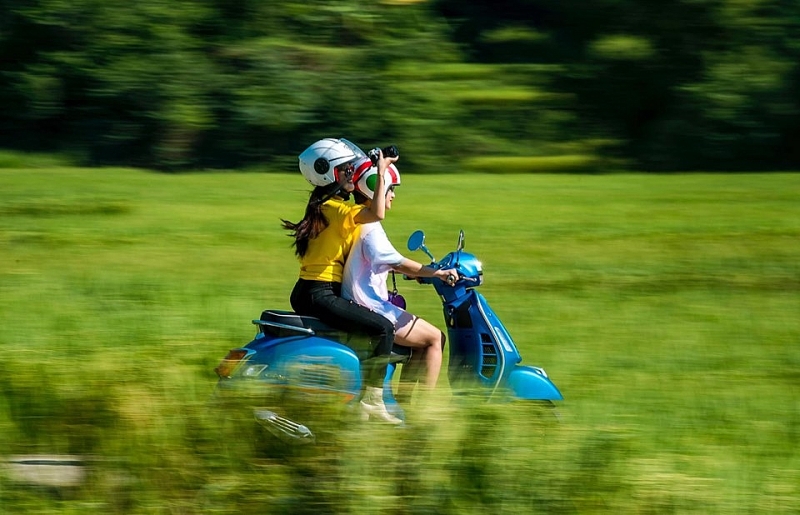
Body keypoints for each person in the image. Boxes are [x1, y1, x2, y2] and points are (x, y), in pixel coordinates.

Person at [281, 137, 402, 424]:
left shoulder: (324, 206)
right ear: (330, 173)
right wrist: (381, 170)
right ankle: (372, 401)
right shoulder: (336, 210)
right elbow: (378, 213)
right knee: (384, 329)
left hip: (310, 290)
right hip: (320, 293)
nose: (354, 173)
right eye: (349, 169)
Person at [342, 161, 457, 403]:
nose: (392, 195)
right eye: (390, 189)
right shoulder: (370, 227)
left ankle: (402, 404)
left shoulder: (358, 222)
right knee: (436, 338)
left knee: (421, 342)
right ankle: (425, 408)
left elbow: (378, 262)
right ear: (375, 190)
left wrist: (416, 273)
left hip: (358, 301)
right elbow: (395, 261)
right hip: (369, 305)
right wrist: (436, 273)